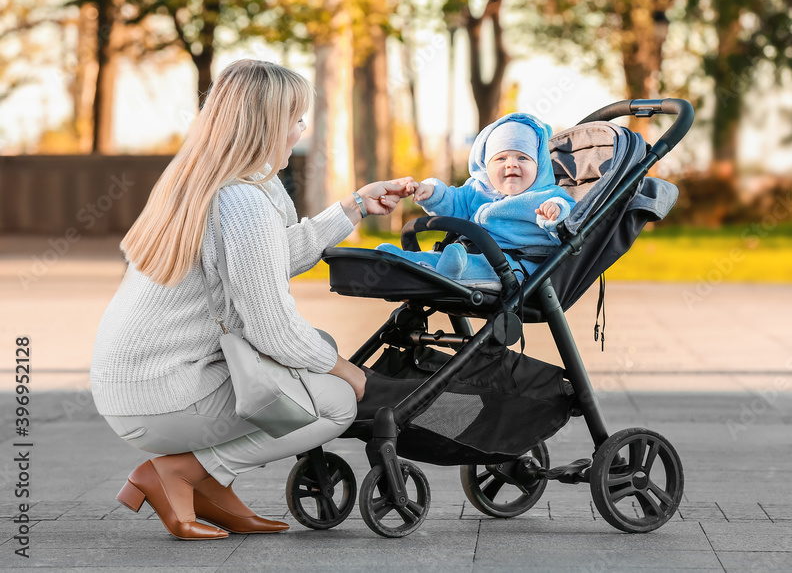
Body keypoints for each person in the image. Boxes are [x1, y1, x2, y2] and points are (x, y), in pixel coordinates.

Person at [90, 59, 414, 540]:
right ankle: (181, 472)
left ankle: (208, 484)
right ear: (267, 125)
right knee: (336, 401)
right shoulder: (242, 200)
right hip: (165, 396)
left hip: (131, 388)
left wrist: (354, 206)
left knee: (308, 363)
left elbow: (270, 257)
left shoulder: (197, 181)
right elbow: (270, 327)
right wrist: (343, 367)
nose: (300, 131)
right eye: (296, 119)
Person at [377, 113, 575, 284]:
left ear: (538, 166)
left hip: (515, 267)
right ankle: (400, 261)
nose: (511, 164)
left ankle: (454, 272)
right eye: (501, 158)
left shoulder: (546, 195)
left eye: (522, 158)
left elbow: (570, 218)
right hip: (466, 253)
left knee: (467, 262)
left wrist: (555, 213)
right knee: (436, 257)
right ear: (486, 167)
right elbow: (453, 200)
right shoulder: (477, 191)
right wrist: (431, 192)